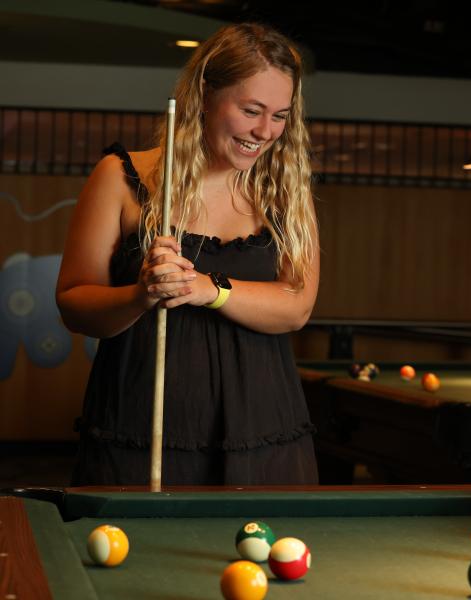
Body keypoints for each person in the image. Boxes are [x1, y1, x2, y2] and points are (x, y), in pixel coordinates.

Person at [56, 23, 320, 485]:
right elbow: (75, 305)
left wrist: (206, 289)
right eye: (251, 110)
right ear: (204, 94)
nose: (265, 131)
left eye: (280, 115)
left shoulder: (284, 192)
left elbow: (296, 306)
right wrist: (142, 294)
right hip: (141, 434)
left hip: (265, 436)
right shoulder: (121, 178)